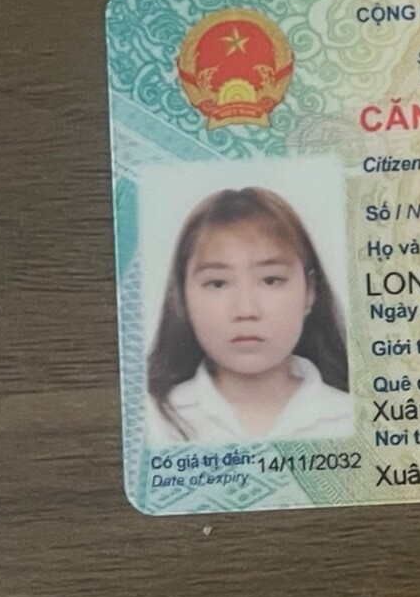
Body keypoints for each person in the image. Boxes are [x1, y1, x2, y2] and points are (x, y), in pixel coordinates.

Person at [147, 186, 354, 444]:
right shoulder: (153, 422)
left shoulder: (353, 417)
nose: (246, 310)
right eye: (217, 283)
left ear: (310, 292)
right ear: (183, 297)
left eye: (271, 280)